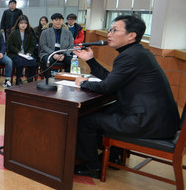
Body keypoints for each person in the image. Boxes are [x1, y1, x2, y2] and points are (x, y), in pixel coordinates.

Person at [72, 15, 180, 178]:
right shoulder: (137, 53)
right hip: (159, 119)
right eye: (110, 30)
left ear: (131, 35)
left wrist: (82, 83)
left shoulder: (130, 56)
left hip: (148, 122)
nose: (109, 34)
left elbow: (107, 87)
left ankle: (92, 166)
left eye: (114, 30)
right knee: (103, 112)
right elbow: (112, 80)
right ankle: (113, 157)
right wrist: (91, 61)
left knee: (86, 121)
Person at [6, 15, 37, 84]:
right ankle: (18, 79)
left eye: (25, 23)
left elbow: (32, 45)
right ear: (18, 24)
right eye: (21, 23)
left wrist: (29, 52)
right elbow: (10, 46)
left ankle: (30, 79)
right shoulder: (14, 33)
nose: (23, 25)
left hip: (26, 53)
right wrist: (18, 52)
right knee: (20, 60)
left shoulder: (29, 33)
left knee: (33, 61)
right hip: (14, 53)